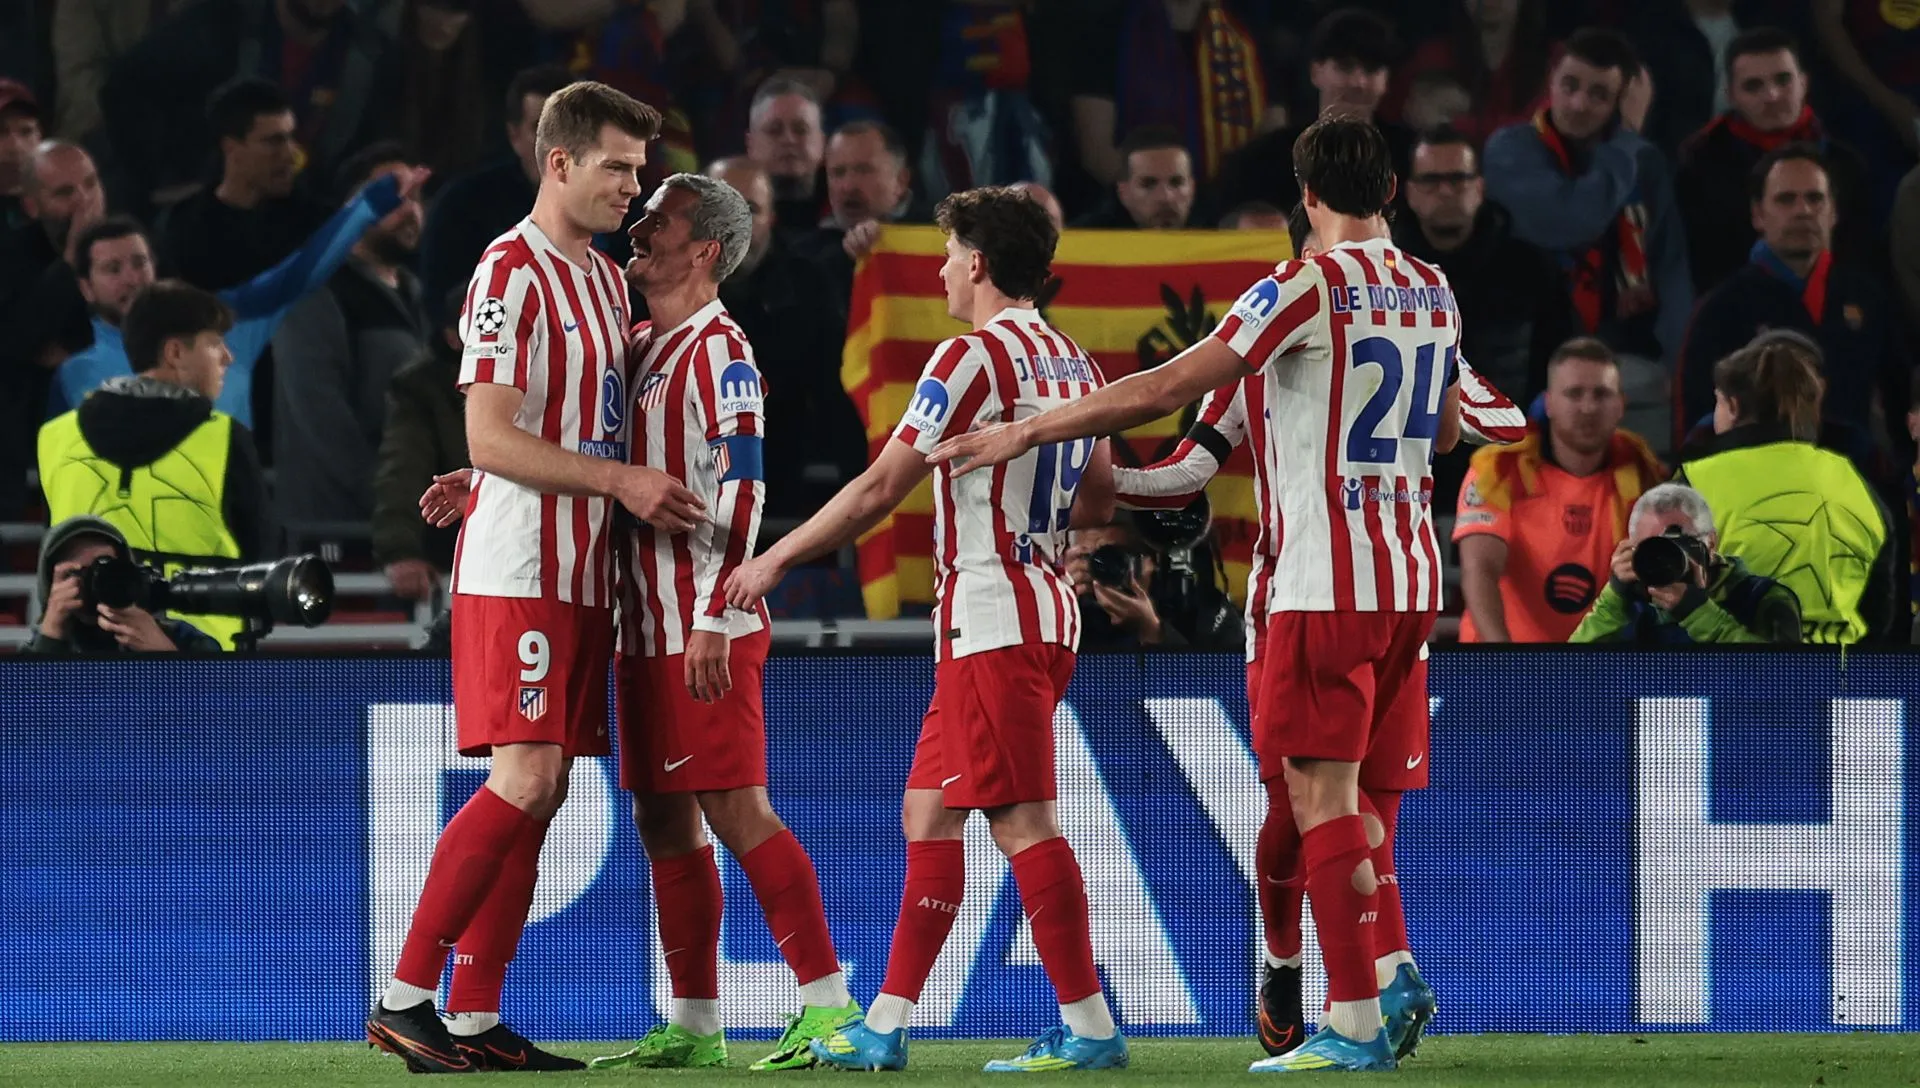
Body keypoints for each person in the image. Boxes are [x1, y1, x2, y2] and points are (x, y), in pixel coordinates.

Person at [928, 117, 1461, 1074]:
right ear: (1392, 191)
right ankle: (1378, 973)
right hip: (1413, 577)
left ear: (1306, 195)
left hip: (1323, 580)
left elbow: (1165, 386)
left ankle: (1352, 1021)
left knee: (1319, 796)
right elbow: (1452, 429)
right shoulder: (1433, 287)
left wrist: (1026, 434)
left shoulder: (1302, 287)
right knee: (1346, 802)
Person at [724, 186, 1128, 1073]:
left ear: (978, 262)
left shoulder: (970, 357)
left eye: (949, 255)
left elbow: (880, 487)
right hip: (1039, 607)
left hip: (992, 613)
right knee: (928, 813)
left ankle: (1092, 1026)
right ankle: (886, 1023)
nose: (942, 270)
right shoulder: (1075, 361)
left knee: (1022, 822)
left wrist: (774, 558)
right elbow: (1100, 498)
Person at [1109, 202, 1527, 1060]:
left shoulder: (1390, 314)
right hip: (1382, 591)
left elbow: (1500, 419)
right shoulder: (1257, 353)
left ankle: (1361, 988)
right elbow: (1186, 470)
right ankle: (1310, 962)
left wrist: (1079, 471)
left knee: (1336, 804)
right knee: (1309, 810)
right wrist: (1112, 481)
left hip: (1318, 594)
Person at [365, 81, 702, 1075]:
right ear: (559, 163)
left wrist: (493, 473)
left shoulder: (600, 279)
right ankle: (404, 996)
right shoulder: (509, 269)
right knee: (523, 776)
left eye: (639, 170)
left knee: (544, 789)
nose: (634, 189)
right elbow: (488, 428)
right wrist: (610, 479)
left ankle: (473, 1014)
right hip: (520, 566)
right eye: (618, 168)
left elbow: (554, 426)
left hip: (583, 567)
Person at [587, 173, 858, 1071]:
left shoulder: (722, 352)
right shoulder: (640, 345)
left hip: (705, 626)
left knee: (738, 810)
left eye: (656, 218)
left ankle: (829, 1007)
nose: (637, 226)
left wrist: (714, 612)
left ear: (703, 249)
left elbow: (746, 491)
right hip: (640, 629)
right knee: (663, 821)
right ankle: (697, 1024)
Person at [36, 280, 269, 651]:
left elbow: (51, 558)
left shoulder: (55, 437)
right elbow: (261, 562)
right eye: (214, 343)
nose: (227, 357)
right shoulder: (224, 438)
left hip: (83, 660)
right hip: (204, 665)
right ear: (175, 352)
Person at [1676, 338, 1894, 645]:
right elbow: (1880, 605)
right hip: (1838, 669)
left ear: (1733, 406)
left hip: (1730, 669)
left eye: (1718, 402)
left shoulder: (1695, 481)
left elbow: (1662, 598)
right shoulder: (1855, 481)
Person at [1455, 339, 1667, 644]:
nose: (1588, 408)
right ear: (1549, 403)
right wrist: (1503, 660)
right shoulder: (1500, 467)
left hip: (1597, 663)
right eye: (1574, 393)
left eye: (1601, 394)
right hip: (1508, 656)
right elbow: (1480, 570)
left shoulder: (1639, 464)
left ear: (1621, 404)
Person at [1569, 483, 1802, 643]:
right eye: (1652, 547)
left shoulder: (1761, 598)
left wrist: (1698, 613)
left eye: (1675, 544)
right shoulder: (1630, 606)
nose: (1664, 557)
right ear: (1631, 549)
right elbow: (1571, 680)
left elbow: (1783, 687)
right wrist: (1613, 598)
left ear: (1710, 543)